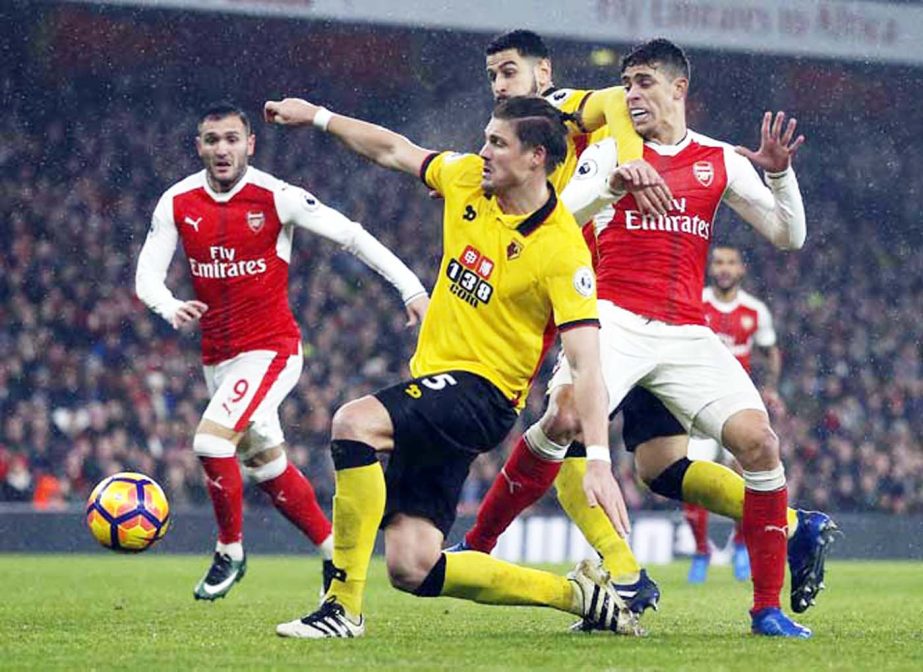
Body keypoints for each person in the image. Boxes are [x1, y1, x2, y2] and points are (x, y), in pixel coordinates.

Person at [264, 94, 640, 638]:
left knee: (353, 423)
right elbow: (394, 150)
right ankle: (577, 595)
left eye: (497, 143)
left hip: (483, 397)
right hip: (436, 387)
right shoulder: (466, 180)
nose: (482, 151)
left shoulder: (561, 249)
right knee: (412, 566)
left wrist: (600, 459)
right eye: (485, 138)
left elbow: (585, 364)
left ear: (536, 157)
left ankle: (341, 607)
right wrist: (320, 117)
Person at [553, 38, 841, 637]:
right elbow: (555, 221)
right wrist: (613, 186)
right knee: (564, 418)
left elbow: (789, 236)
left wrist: (781, 174)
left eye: (644, 83)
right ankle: (609, 574)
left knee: (758, 444)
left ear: (678, 88)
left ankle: (766, 609)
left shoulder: (718, 159)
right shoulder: (609, 152)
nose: (632, 95)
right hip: (615, 319)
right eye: (626, 83)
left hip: (686, 332)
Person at [135, 103, 429, 601]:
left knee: (210, 444)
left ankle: (230, 551)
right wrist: (167, 306)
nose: (222, 149)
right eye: (211, 140)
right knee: (266, 466)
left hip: (271, 349)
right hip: (218, 358)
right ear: (199, 147)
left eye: (232, 139)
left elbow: (351, 236)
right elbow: (146, 275)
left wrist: (410, 288)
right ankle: (334, 555)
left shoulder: (277, 197)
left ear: (250, 144)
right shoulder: (177, 201)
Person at [454, 29, 672, 618]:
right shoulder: (509, 143)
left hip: (580, 287)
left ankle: (488, 543)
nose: (499, 84)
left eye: (510, 71)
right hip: (541, 289)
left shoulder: (555, 109)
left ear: (542, 71)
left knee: (570, 419)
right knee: (561, 423)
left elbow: (609, 102)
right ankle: (486, 542)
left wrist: (631, 160)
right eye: (493, 75)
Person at [684, 245, 782, 584]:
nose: (724, 268)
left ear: (741, 269)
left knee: (744, 479)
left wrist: (770, 388)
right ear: (711, 268)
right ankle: (701, 551)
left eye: (731, 263)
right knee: (691, 483)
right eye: (719, 262)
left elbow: (770, 352)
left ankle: (741, 545)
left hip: (736, 404)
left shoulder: (755, 311)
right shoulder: (696, 301)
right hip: (697, 404)